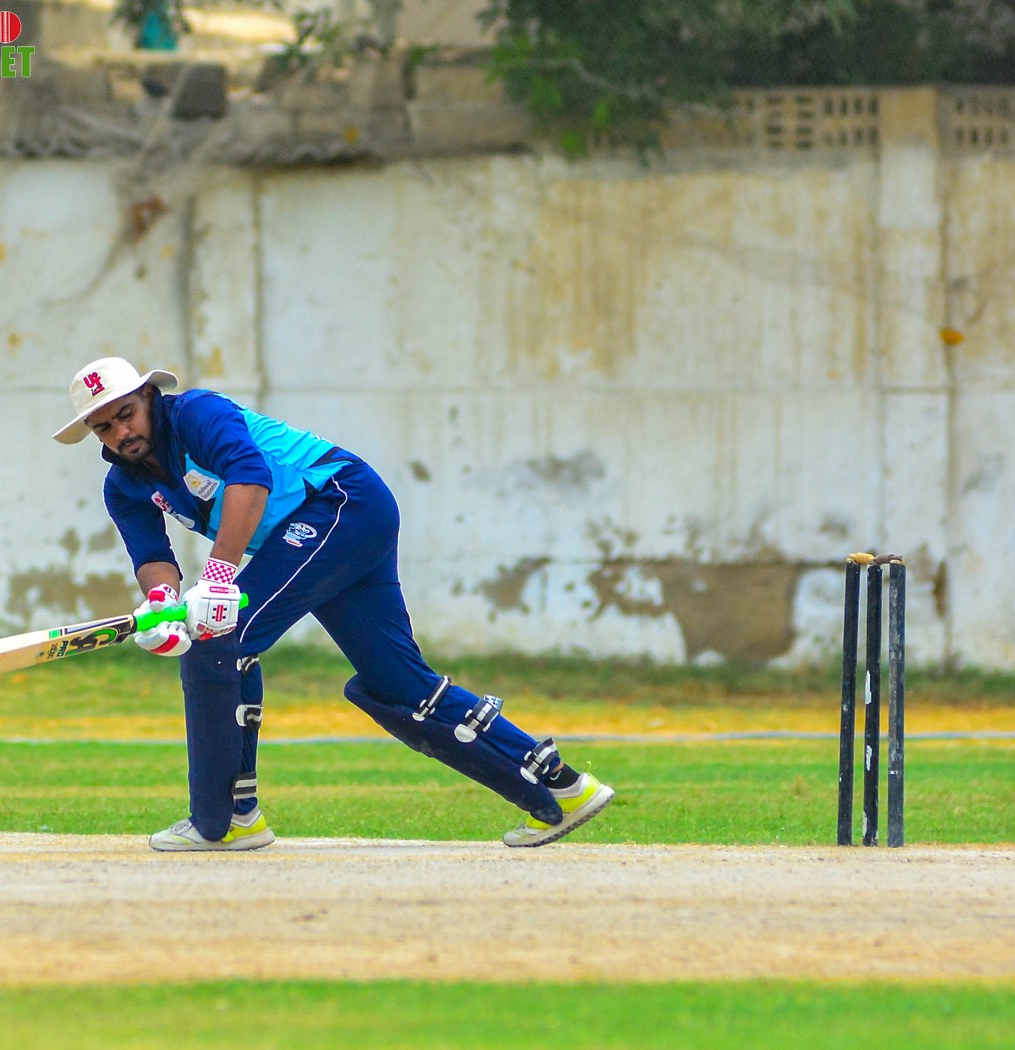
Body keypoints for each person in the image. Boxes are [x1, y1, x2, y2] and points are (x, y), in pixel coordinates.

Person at [54, 357, 614, 851]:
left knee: (220, 640)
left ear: (149, 396)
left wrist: (219, 579)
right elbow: (153, 555)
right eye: (104, 426)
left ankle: (226, 819)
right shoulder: (122, 486)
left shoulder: (198, 413)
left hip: (341, 501)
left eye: (126, 414)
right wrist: (162, 605)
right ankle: (562, 786)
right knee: (396, 683)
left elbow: (249, 477)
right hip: (326, 525)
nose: (121, 432)